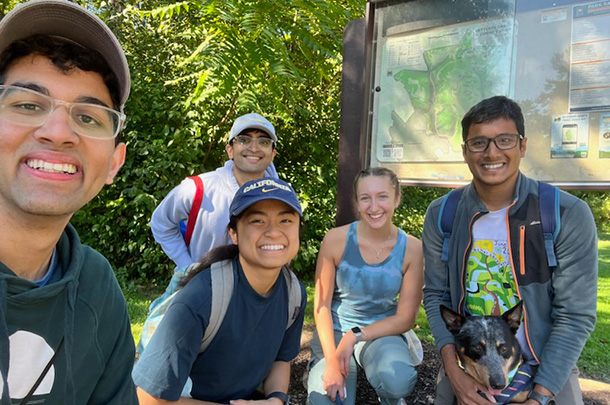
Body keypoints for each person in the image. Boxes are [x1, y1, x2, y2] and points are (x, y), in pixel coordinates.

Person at [0, 0, 137, 403]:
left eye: (89, 117)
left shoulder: (96, 287)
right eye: (27, 104)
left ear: (114, 163)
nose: (59, 131)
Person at [422, 96, 598, 405]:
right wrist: (454, 371)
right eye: (479, 143)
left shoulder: (566, 213)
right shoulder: (443, 213)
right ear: (465, 151)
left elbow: (575, 315)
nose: (492, 153)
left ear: (523, 145)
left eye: (504, 140)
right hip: (470, 368)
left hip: (547, 367)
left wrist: (540, 396)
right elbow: (437, 295)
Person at [133, 177, 307, 405]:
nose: (273, 232)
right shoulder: (203, 297)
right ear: (233, 233)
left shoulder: (292, 292)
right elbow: (146, 399)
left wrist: (275, 400)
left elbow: (281, 359)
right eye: (257, 221)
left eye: (285, 220)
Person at [307, 167, 424, 405]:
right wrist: (331, 362)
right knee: (327, 400)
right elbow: (321, 306)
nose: (374, 207)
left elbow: (405, 318)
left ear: (397, 198)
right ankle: (316, 366)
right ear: (357, 203)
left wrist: (356, 336)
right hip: (336, 331)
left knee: (397, 381)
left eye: (382, 196)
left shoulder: (412, 248)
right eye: (365, 198)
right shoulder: (335, 240)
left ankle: (389, 395)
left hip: (382, 332)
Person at [151, 113, 279, 269]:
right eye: (244, 140)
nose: (253, 148)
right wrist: (188, 267)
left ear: (272, 154)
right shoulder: (197, 188)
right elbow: (160, 223)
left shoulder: (282, 197)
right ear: (230, 150)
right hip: (203, 289)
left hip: (261, 290)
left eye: (264, 142)